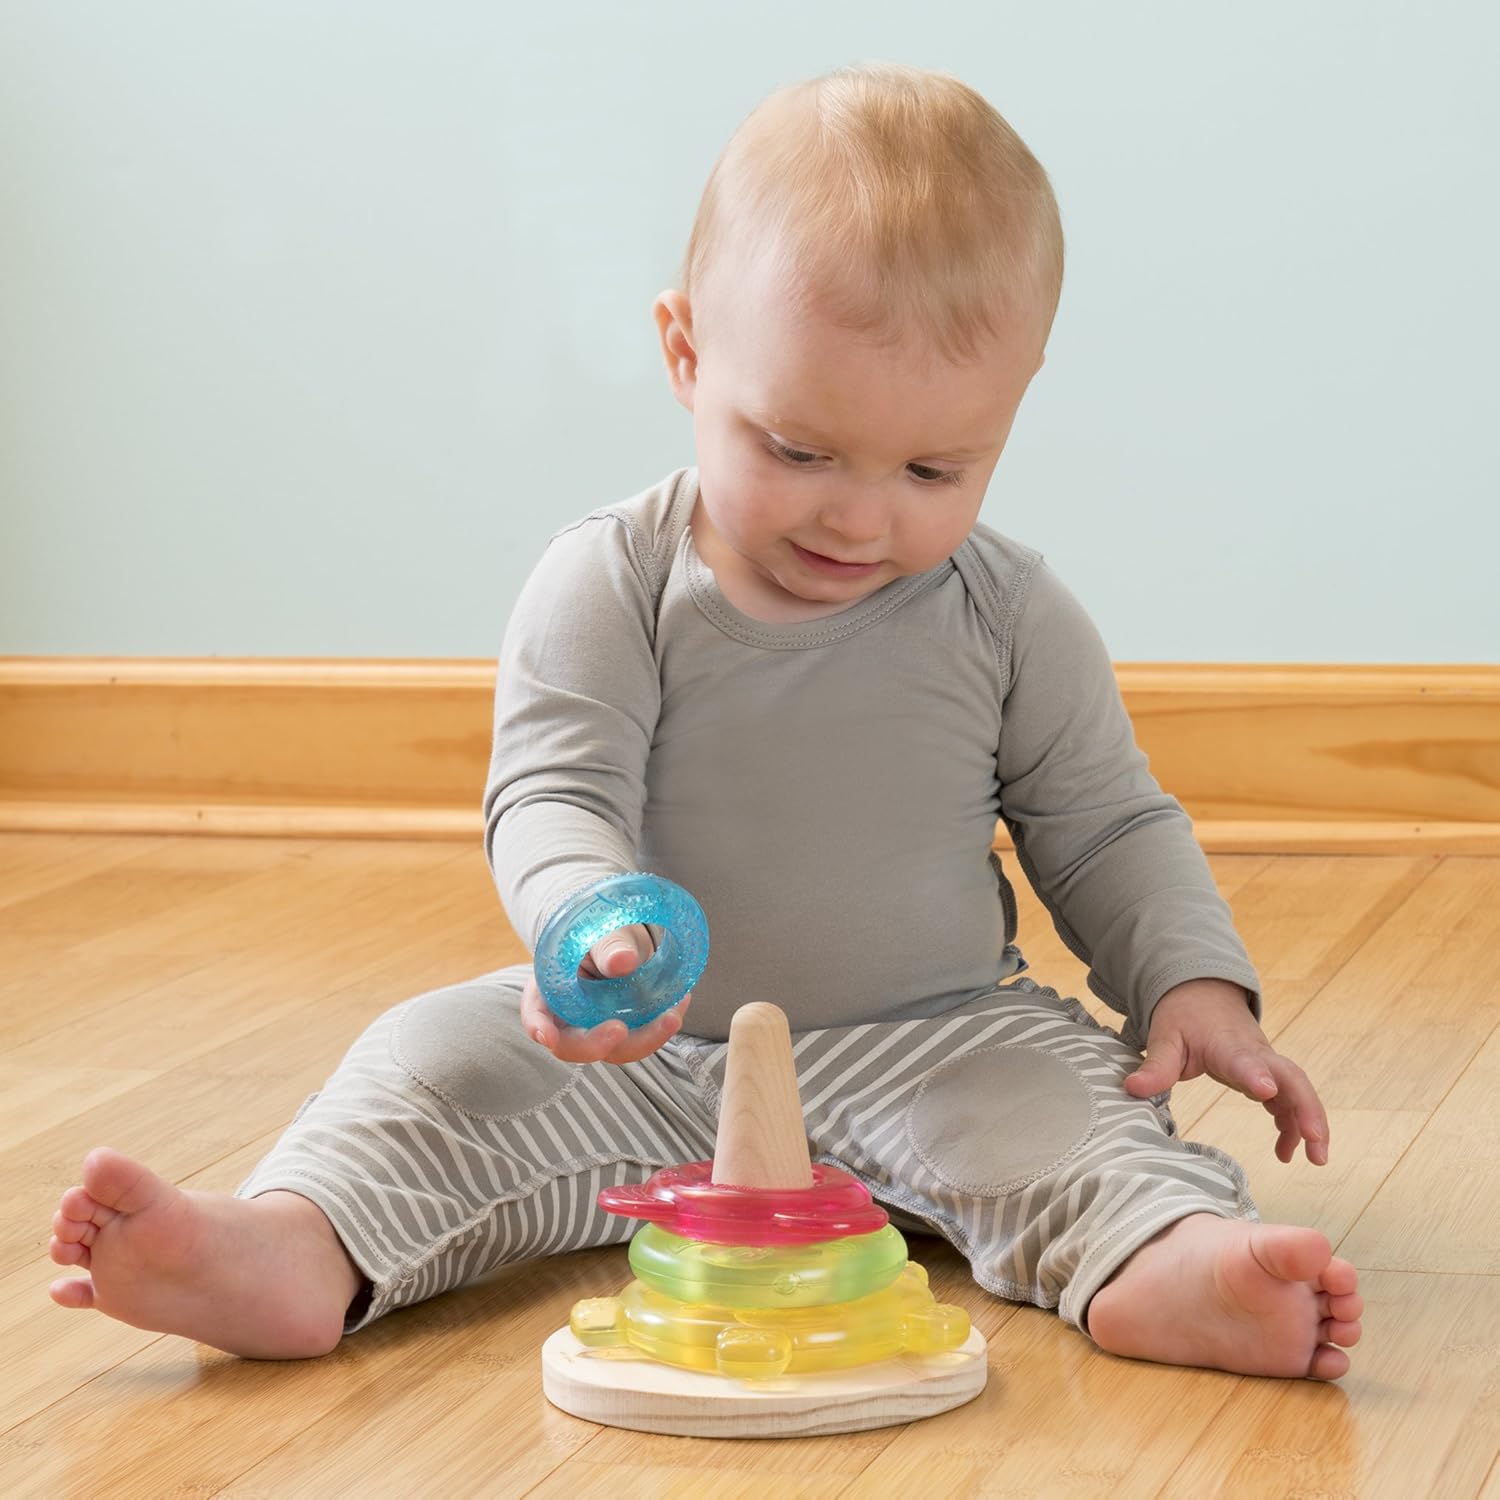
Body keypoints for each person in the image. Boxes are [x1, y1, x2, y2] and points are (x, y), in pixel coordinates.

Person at [47, 62, 1362, 1378]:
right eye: (798, 450)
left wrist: (1195, 986)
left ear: (1007, 412)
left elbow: (1105, 823)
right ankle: (293, 1248)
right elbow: (552, 791)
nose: (858, 515)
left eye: (930, 470)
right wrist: (583, 923)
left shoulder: (1011, 613)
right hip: (647, 1048)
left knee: (1074, 1108)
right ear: (686, 353)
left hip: (937, 1036)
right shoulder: (614, 579)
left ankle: (1165, 1266)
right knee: (432, 1065)